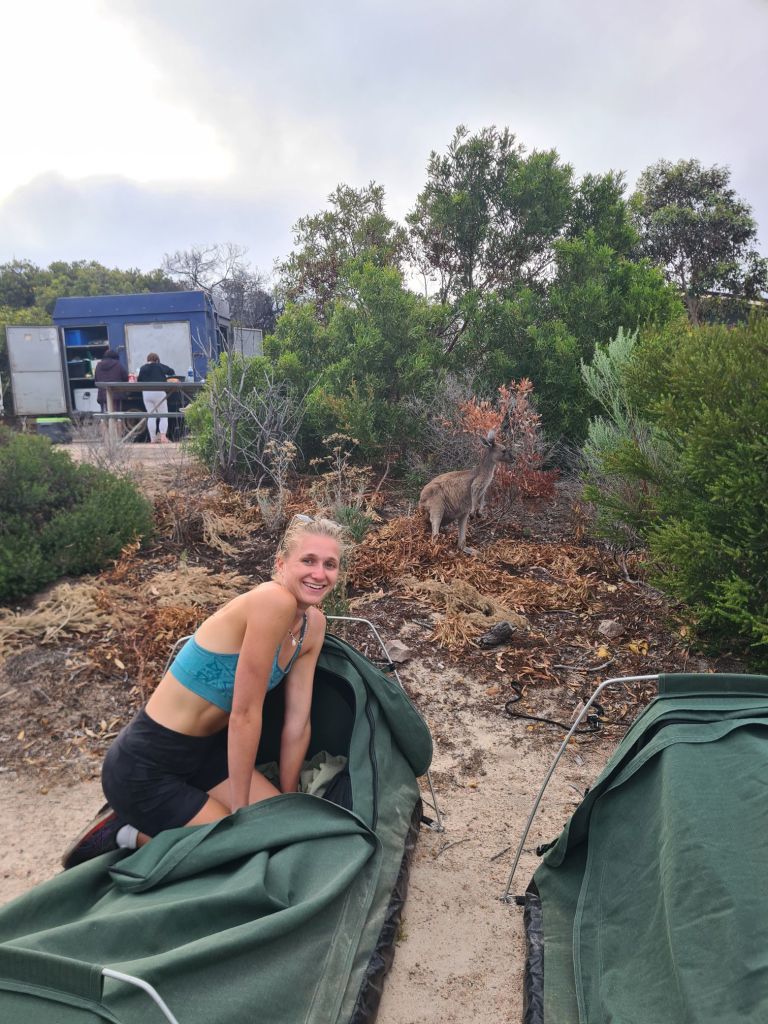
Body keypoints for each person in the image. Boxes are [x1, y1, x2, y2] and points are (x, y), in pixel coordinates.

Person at [62, 515, 345, 868]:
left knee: (285, 829)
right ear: (281, 564)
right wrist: (242, 816)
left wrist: (288, 800)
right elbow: (244, 714)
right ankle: (125, 832)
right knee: (246, 849)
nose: (319, 573)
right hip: (146, 765)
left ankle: (173, 824)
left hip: (207, 755)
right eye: (308, 560)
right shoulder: (273, 601)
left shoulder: (313, 625)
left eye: (330, 564)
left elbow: (297, 723)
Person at [137, 352, 176, 443]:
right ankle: (163, 437)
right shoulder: (159, 366)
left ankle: (153, 439)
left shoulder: (143, 368)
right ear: (157, 360)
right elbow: (171, 371)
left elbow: (139, 381)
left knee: (151, 416)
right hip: (159, 392)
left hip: (146, 393)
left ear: (147, 360)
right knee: (163, 415)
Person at [94, 349, 128, 413]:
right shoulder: (118, 365)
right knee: (117, 414)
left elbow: (96, 379)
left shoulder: (98, 365)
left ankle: (106, 419)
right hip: (117, 394)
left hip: (102, 394)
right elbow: (125, 377)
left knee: (105, 414)